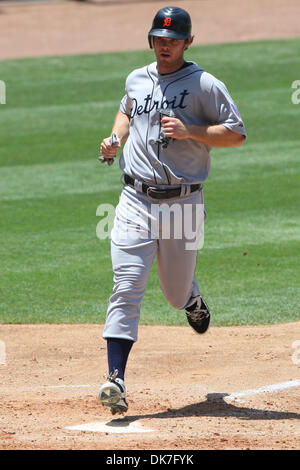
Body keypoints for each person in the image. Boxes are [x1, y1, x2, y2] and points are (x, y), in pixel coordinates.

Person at [98, 6, 246, 415]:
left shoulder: (205, 85)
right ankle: (115, 379)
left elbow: (236, 133)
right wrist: (114, 139)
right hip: (133, 201)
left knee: (174, 293)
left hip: (183, 204)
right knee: (126, 287)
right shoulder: (136, 78)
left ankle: (192, 298)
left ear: (188, 42)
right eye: (159, 39)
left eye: (173, 39)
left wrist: (191, 131)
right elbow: (128, 109)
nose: (165, 45)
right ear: (151, 40)